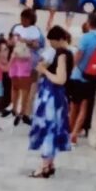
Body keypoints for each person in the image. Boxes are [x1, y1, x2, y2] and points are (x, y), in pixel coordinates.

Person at [27, 25, 73, 178]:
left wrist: (44, 71)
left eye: (52, 42)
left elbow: (60, 79)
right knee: (53, 129)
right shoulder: (69, 53)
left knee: (48, 129)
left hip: (52, 96)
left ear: (59, 40)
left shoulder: (61, 54)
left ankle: (44, 165)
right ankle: (50, 164)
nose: (51, 45)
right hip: (58, 97)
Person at [68, 11, 96, 144]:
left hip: (78, 75)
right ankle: (75, 133)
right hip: (92, 77)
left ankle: (69, 131)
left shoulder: (85, 38)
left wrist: (70, 69)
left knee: (74, 105)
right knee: (84, 107)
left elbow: (79, 55)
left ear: (88, 23)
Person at [9, 7, 42, 125]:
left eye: (25, 19)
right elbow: (11, 41)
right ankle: (14, 107)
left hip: (28, 61)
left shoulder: (35, 31)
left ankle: (23, 111)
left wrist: (25, 41)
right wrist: (13, 41)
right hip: (16, 59)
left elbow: (38, 45)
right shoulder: (17, 28)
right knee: (15, 85)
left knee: (25, 88)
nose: (22, 21)